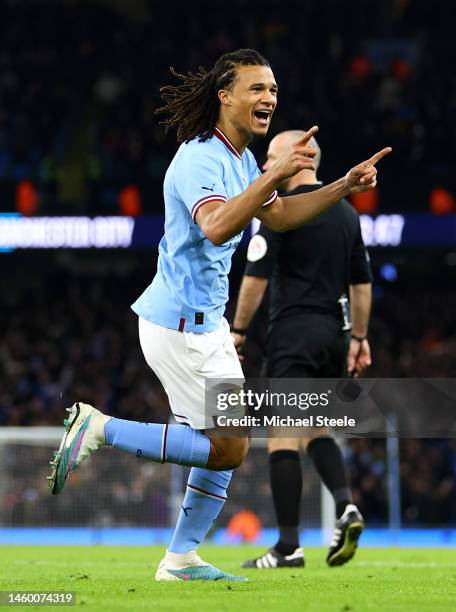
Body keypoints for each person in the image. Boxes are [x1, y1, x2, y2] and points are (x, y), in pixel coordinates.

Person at [48, 49, 390, 582]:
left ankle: (181, 559)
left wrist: (342, 185)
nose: (269, 99)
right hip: (178, 326)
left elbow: (276, 217)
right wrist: (272, 173)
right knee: (230, 447)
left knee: (221, 451)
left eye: (273, 89)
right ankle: (100, 427)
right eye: (257, 88)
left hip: (204, 327)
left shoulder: (240, 159)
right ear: (224, 95)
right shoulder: (200, 158)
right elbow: (216, 226)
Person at [232, 130, 373, 569]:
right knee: (314, 429)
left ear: (294, 159)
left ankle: (288, 546)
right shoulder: (348, 214)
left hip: (293, 332)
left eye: (269, 157)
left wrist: (238, 331)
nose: (263, 168)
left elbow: (256, 277)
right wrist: (360, 340)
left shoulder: (280, 211)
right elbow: (362, 284)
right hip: (334, 334)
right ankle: (347, 504)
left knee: (281, 437)